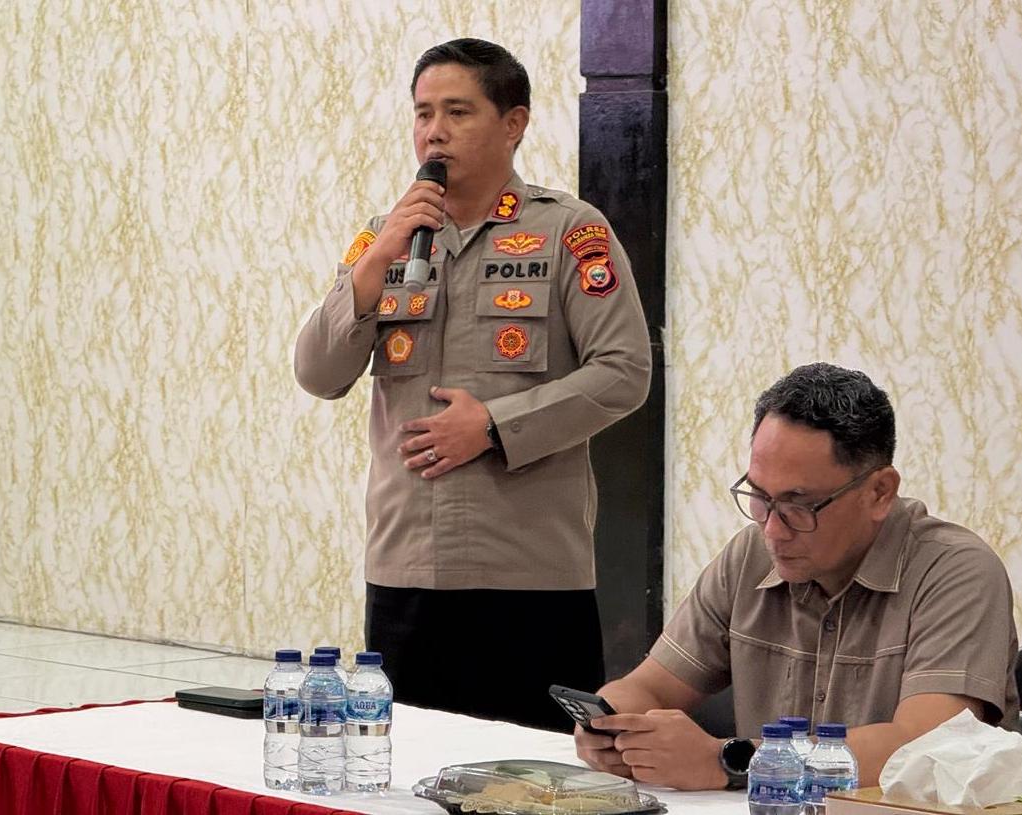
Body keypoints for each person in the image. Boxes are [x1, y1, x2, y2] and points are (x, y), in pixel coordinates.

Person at [294, 38, 651, 730]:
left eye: (457, 112)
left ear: (513, 123)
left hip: (528, 573)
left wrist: (492, 426)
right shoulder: (385, 240)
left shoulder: (568, 231)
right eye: (423, 113)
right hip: (405, 567)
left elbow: (623, 371)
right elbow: (317, 373)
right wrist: (374, 265)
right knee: (410, 768)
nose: (434, 131)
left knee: (535, 773)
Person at [576, 362, 1020, 788]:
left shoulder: (956, 572)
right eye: (759, 497)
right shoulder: (750, 556)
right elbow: (649, 687)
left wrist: (728, 760)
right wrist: (612, 727)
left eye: (799, 505)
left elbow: (925, 746)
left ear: (879, 492)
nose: (772, 529)